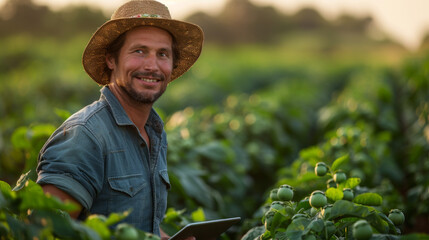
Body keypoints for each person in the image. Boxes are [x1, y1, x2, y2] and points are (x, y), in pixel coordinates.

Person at [36, 0, 203, 238]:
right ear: (111, 60)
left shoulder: (153, 131)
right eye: (139, 51)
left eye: (162, 54)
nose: (152, 66)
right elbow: (44, 231)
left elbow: (138, 224)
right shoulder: (85, 136)